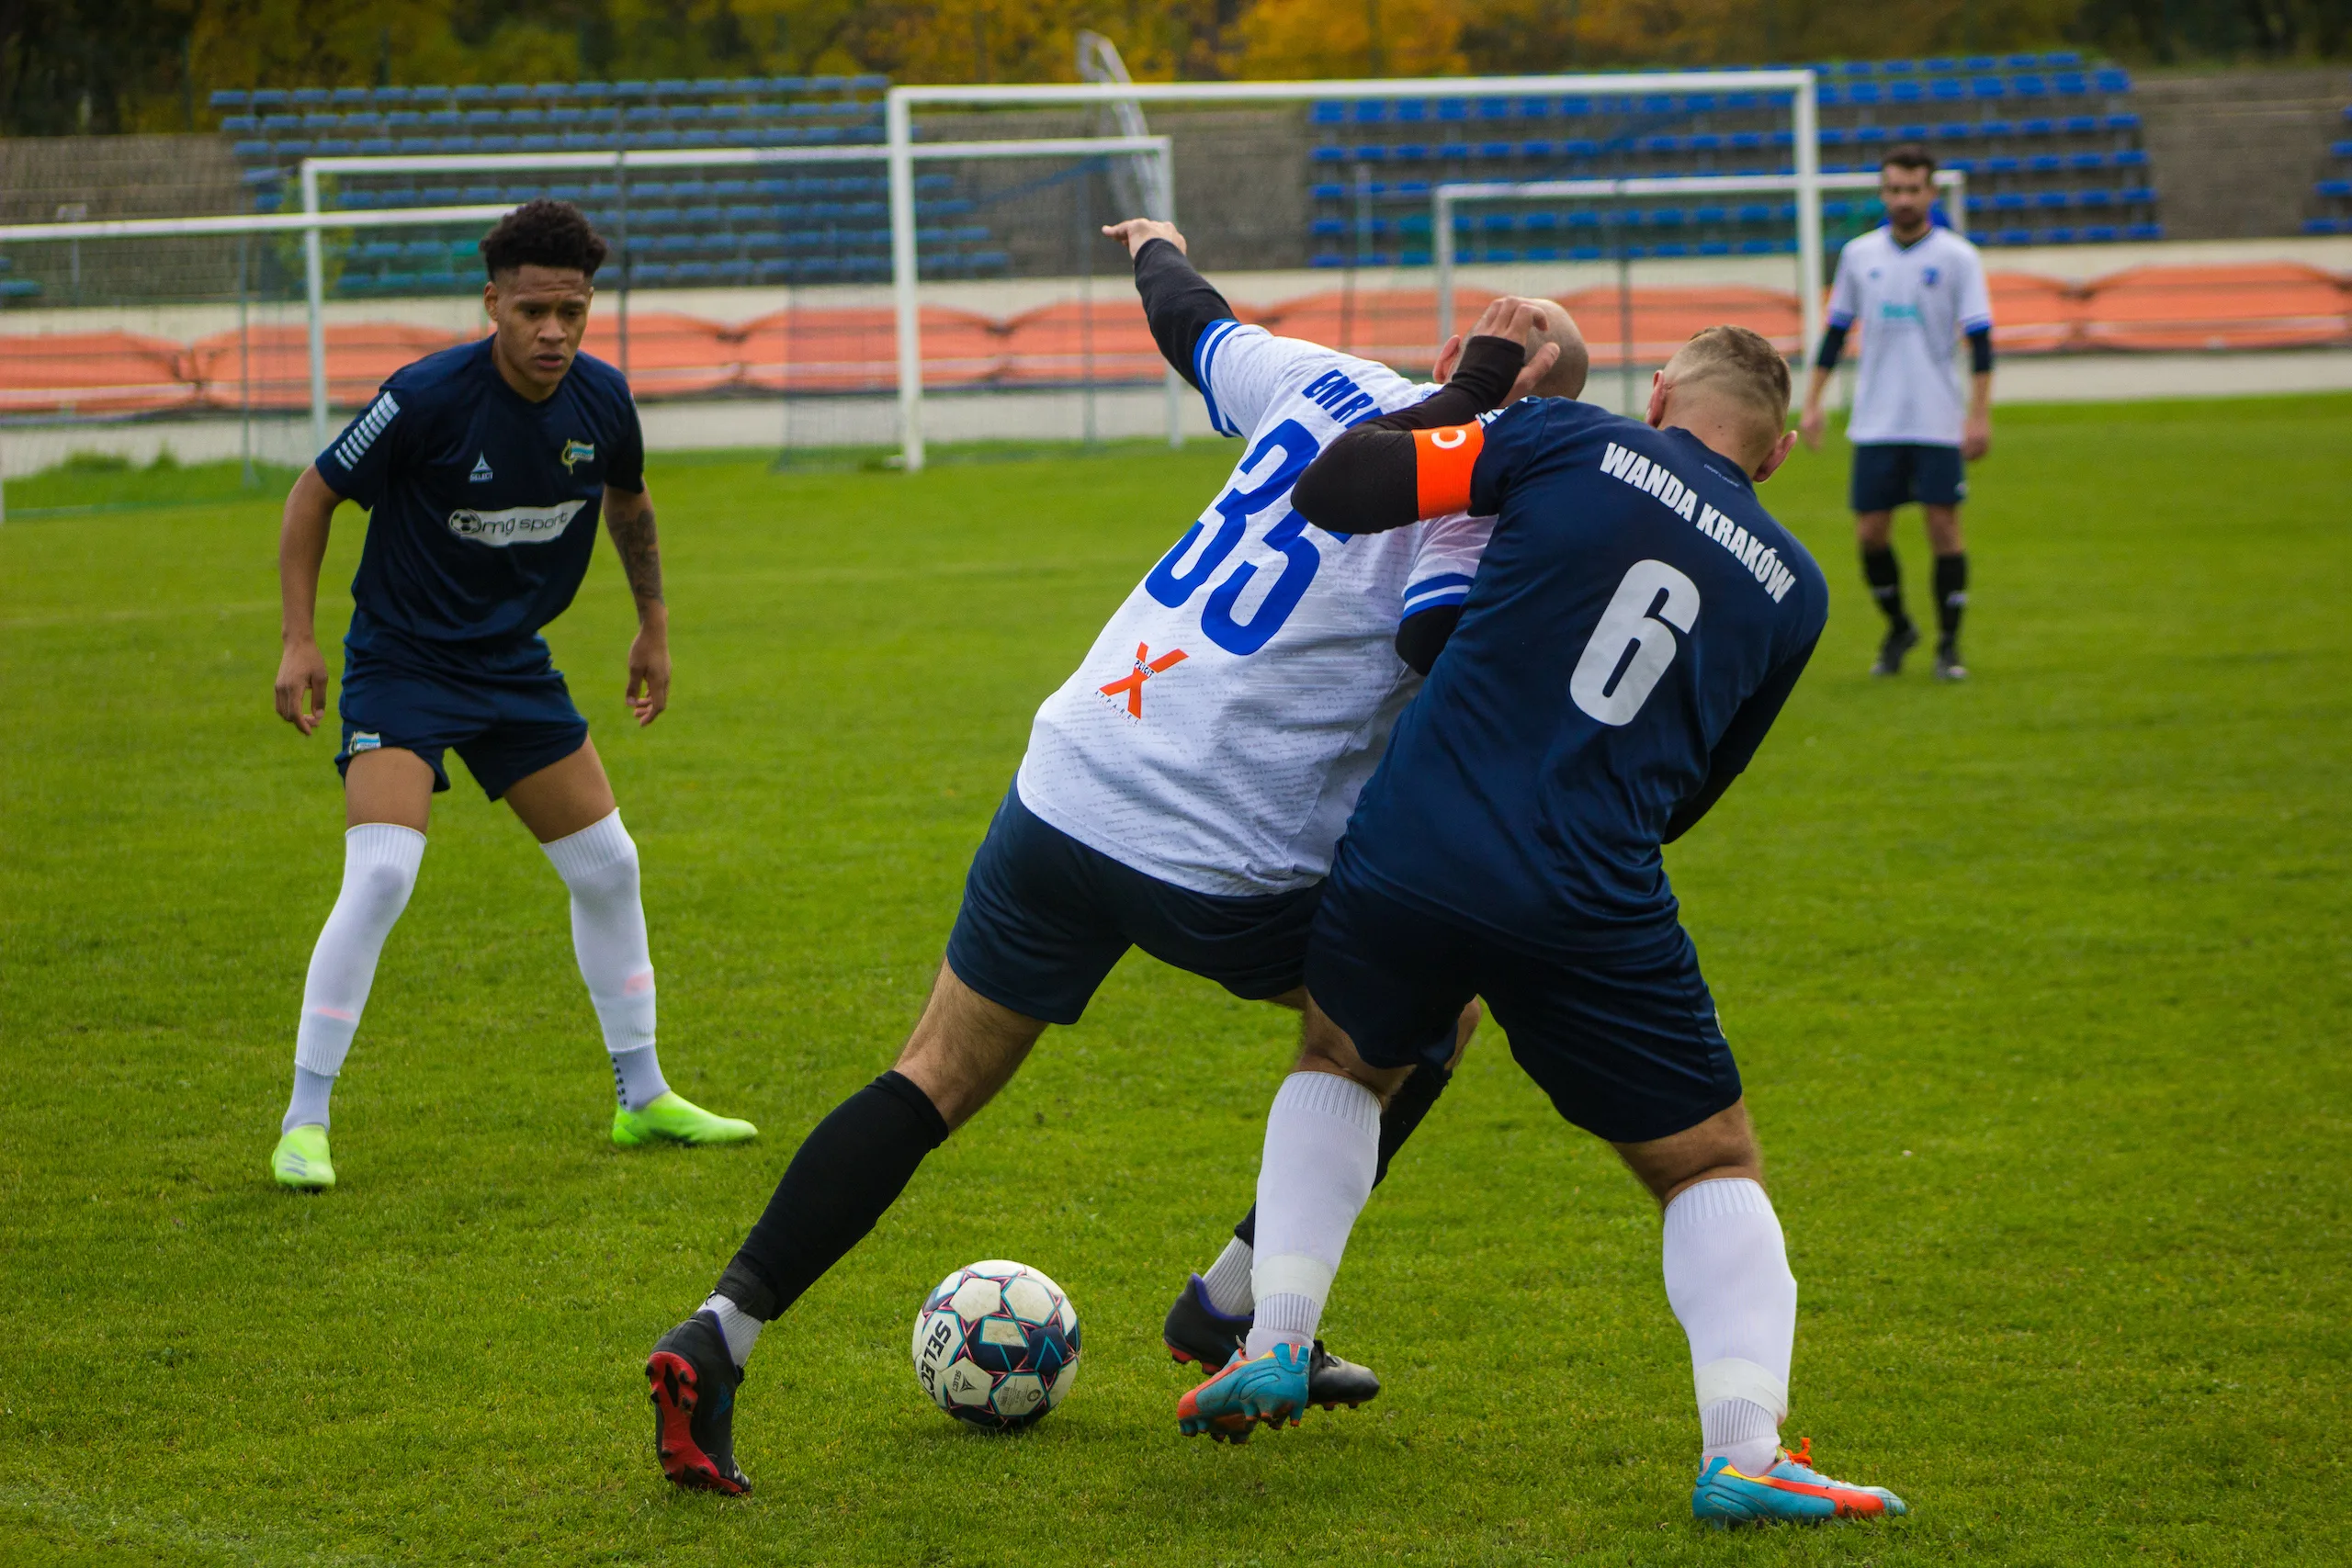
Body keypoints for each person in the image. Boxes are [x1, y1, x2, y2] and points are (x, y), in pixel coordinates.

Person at [639, 217, 1589, 1495]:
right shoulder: (1479, 494)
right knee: (1415, 1024)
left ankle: (722, 1326)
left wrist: (1158, 243)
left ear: (1448, 345)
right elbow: (1438, 651)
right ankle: (1243, 1301)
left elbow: (1193, 326)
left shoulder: (1322, 379)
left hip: (1071, 773)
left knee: (931, 1075)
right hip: (1222, 842)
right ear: (1540, 424)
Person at [1178, 325, 1908, 1527]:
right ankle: (1745, 1448)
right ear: (1776, 455)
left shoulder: (1569, 436)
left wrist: (1473, 390)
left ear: (1661, 395)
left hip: (1416, 837)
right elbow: (1696, 792)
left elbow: (1344, 487)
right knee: (1707, 1158)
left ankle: (1275, 1334)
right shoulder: (1793, 587)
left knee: (1342, 1058)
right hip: (1587, 882)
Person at [267, 198, 756, 1191]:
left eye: (572, 312)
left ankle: (643, 1096)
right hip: (402, 665)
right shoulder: (422, 398)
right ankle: (304, 1122)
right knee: (385, 873)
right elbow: (313, 493)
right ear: (492, 303)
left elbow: (630, 499)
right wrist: (299, 638)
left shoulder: (604, 402)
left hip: (510, 668)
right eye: (533, 310)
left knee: (610, 866)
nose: (554, 332)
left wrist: (653, 625)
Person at [1798, 144, 1994, 682]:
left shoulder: (1958, 258)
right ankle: (1899, 626)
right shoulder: (1860, 256)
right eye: (1894, 190)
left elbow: (1980, 341)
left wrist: (1978, 416)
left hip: (1935, 417)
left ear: (1931, 192)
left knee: (1942, 526)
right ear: (1883, 193)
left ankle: (1949, 646)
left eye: (1913, 189)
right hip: (1877, 419)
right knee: (1870, 534)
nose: (1903, 199)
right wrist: (1812, 402)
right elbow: (1836, 334)